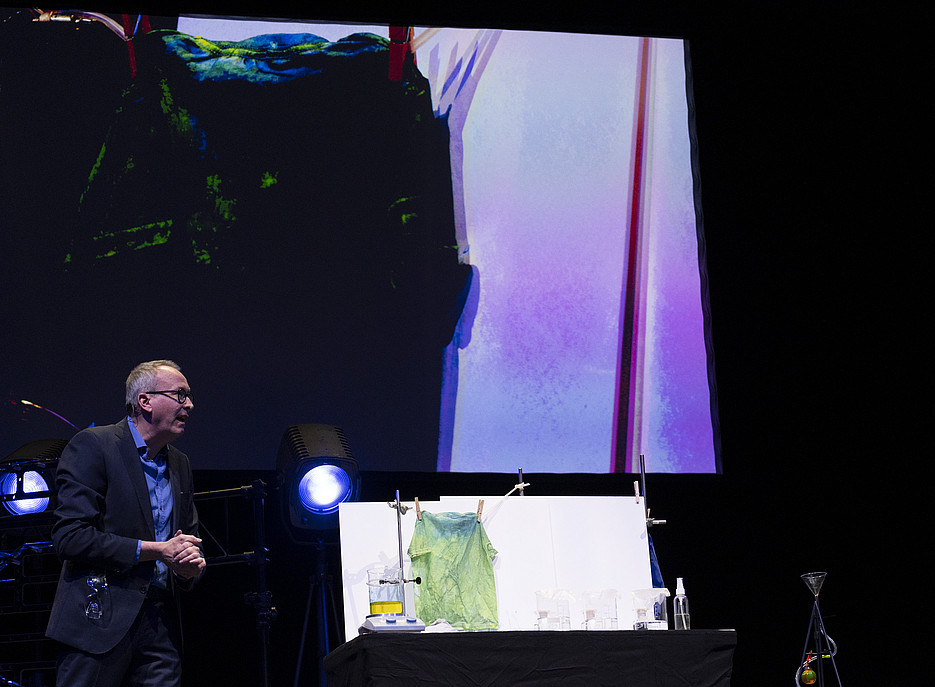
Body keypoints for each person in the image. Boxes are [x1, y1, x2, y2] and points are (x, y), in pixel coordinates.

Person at [46, 359, 206, 686]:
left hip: (160, 624)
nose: (189, 404)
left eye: (188, 396)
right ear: (145, 401)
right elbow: (71, 538)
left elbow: (186, 538)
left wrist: (189, 567)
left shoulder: (180, 463)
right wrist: (158, 550)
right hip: (98, 620)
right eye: (179, 394)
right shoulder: (95, 445)